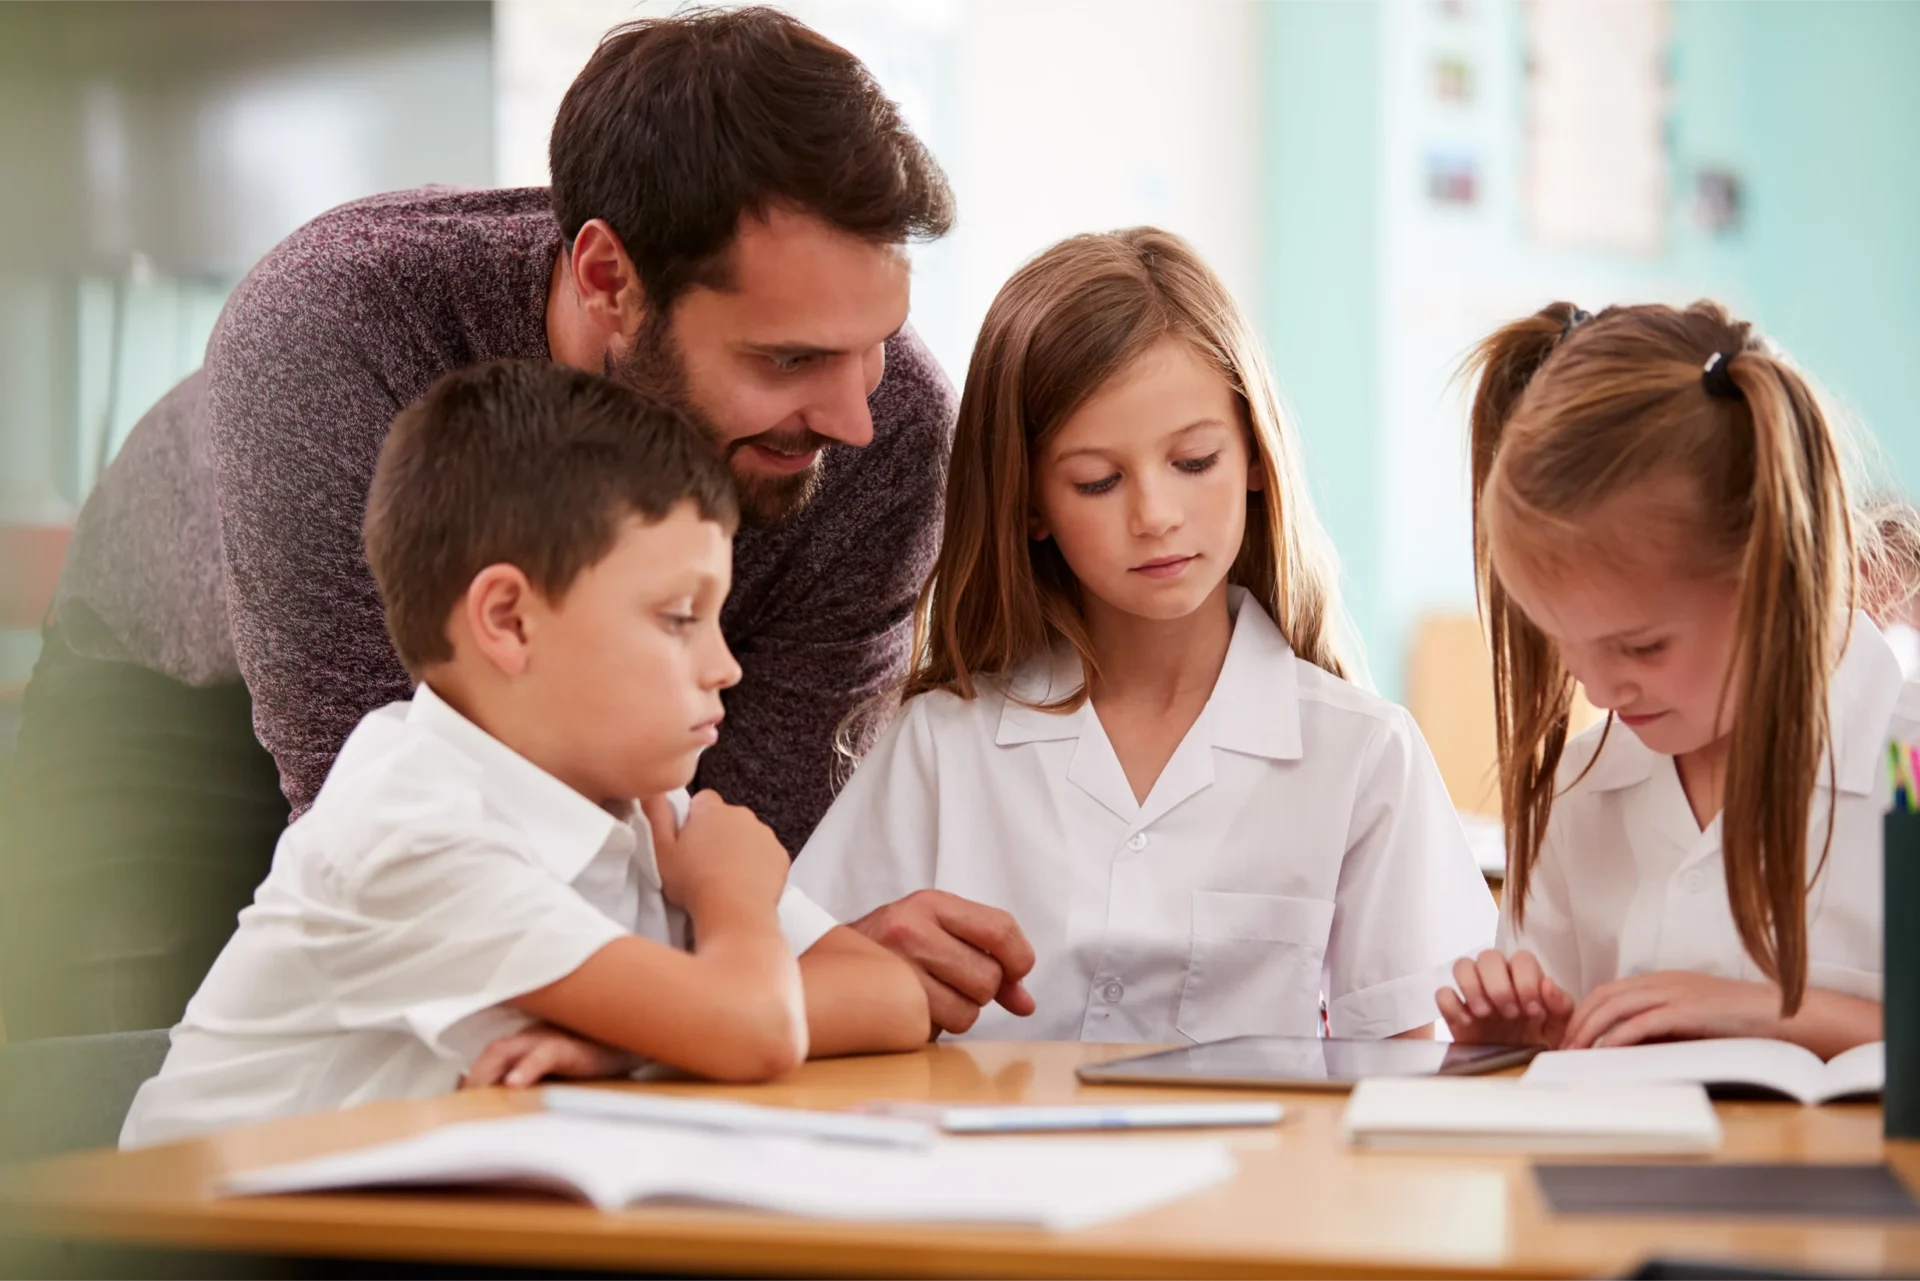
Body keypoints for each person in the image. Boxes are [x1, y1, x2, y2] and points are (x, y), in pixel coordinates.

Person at [0, 7, 957, 1040]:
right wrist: (707, 994)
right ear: (608, 282)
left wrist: (732, 972)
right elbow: (395, 820)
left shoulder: (895, 430)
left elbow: (722, 852)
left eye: (875, 343)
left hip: (583, 725)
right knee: (106, 1064)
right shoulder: (335, 324)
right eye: (788, 360)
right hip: (192, 696)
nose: (854, 419)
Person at [120, 362, 929, 1149]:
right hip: (186, 1220)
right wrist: (733, 904)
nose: (725, 666)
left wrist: (631, 1040)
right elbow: (757, 1028)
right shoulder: (411, 828)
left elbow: (893, 996)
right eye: (680, 617)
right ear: (508, 620)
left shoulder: (635, 803)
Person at [790, 229, 1496, 1042]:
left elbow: (1406, 1067)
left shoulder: (1364, 756)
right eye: (1098, 481)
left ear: (1255, 455)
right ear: (1030, 503)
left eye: (1194, 461)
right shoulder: (942, 743)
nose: (1156, 516)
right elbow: (800, 985)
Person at [1438, 301, 1919, 1058]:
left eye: (1642, 647)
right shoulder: (1580, 791)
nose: (1600, 693)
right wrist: (1527, 1042)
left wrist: (1769, 1012)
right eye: (1564, 644)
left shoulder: (1907, 761)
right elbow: (1568, 1053)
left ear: (1773, 571)